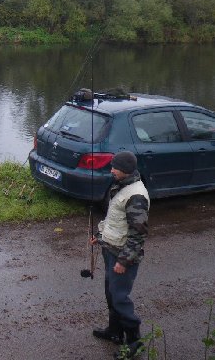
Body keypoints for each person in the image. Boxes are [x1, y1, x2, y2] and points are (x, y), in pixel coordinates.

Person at [91, 151, 150, 358]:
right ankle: (115, 332)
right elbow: (115, 219)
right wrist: (100, 235)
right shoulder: (121, 185)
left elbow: (138, 234)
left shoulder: (136, 196)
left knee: (119, 298)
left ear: (125, 170)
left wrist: (124, 261)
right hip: (110, 249)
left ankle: (135, 342)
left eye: (114, 167)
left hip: (122, 256)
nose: (111, 170)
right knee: (111, 293)